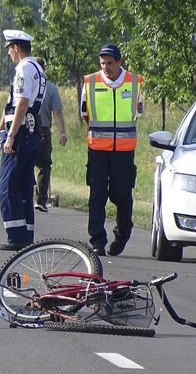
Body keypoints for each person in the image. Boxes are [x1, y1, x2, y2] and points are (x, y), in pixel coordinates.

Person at [81, 44, 143, 257]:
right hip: (97, 149)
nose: (105, 67)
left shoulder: (135, 83)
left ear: (119, 62)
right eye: (102, 63)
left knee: (122, 196)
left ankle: (123, 233)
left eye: (109, 63)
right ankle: (97, 240)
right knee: (97, 194)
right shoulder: (90, 82)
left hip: (124, 151)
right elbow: (85, 113)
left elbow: (138, 113)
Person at [0, 29, 46, 251]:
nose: (8, 53)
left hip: (23, 132)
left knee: (7, 185)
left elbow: (22, 103)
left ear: (16, 47)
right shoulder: (37, 68)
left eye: (9, 49)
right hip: (32, 132)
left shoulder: (24, 68)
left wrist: (11, 135)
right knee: (25, 185)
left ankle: (16, 236)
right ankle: (26, 233)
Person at [33, 57, 67, 213]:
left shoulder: (27, 84)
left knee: (25, 164)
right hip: (44, 131)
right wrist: (62, 133)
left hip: (26, 128)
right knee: (44, 166)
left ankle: (24, 196)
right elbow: (57, 112)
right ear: (45, 69)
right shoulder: (51, 89)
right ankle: (40, 200)